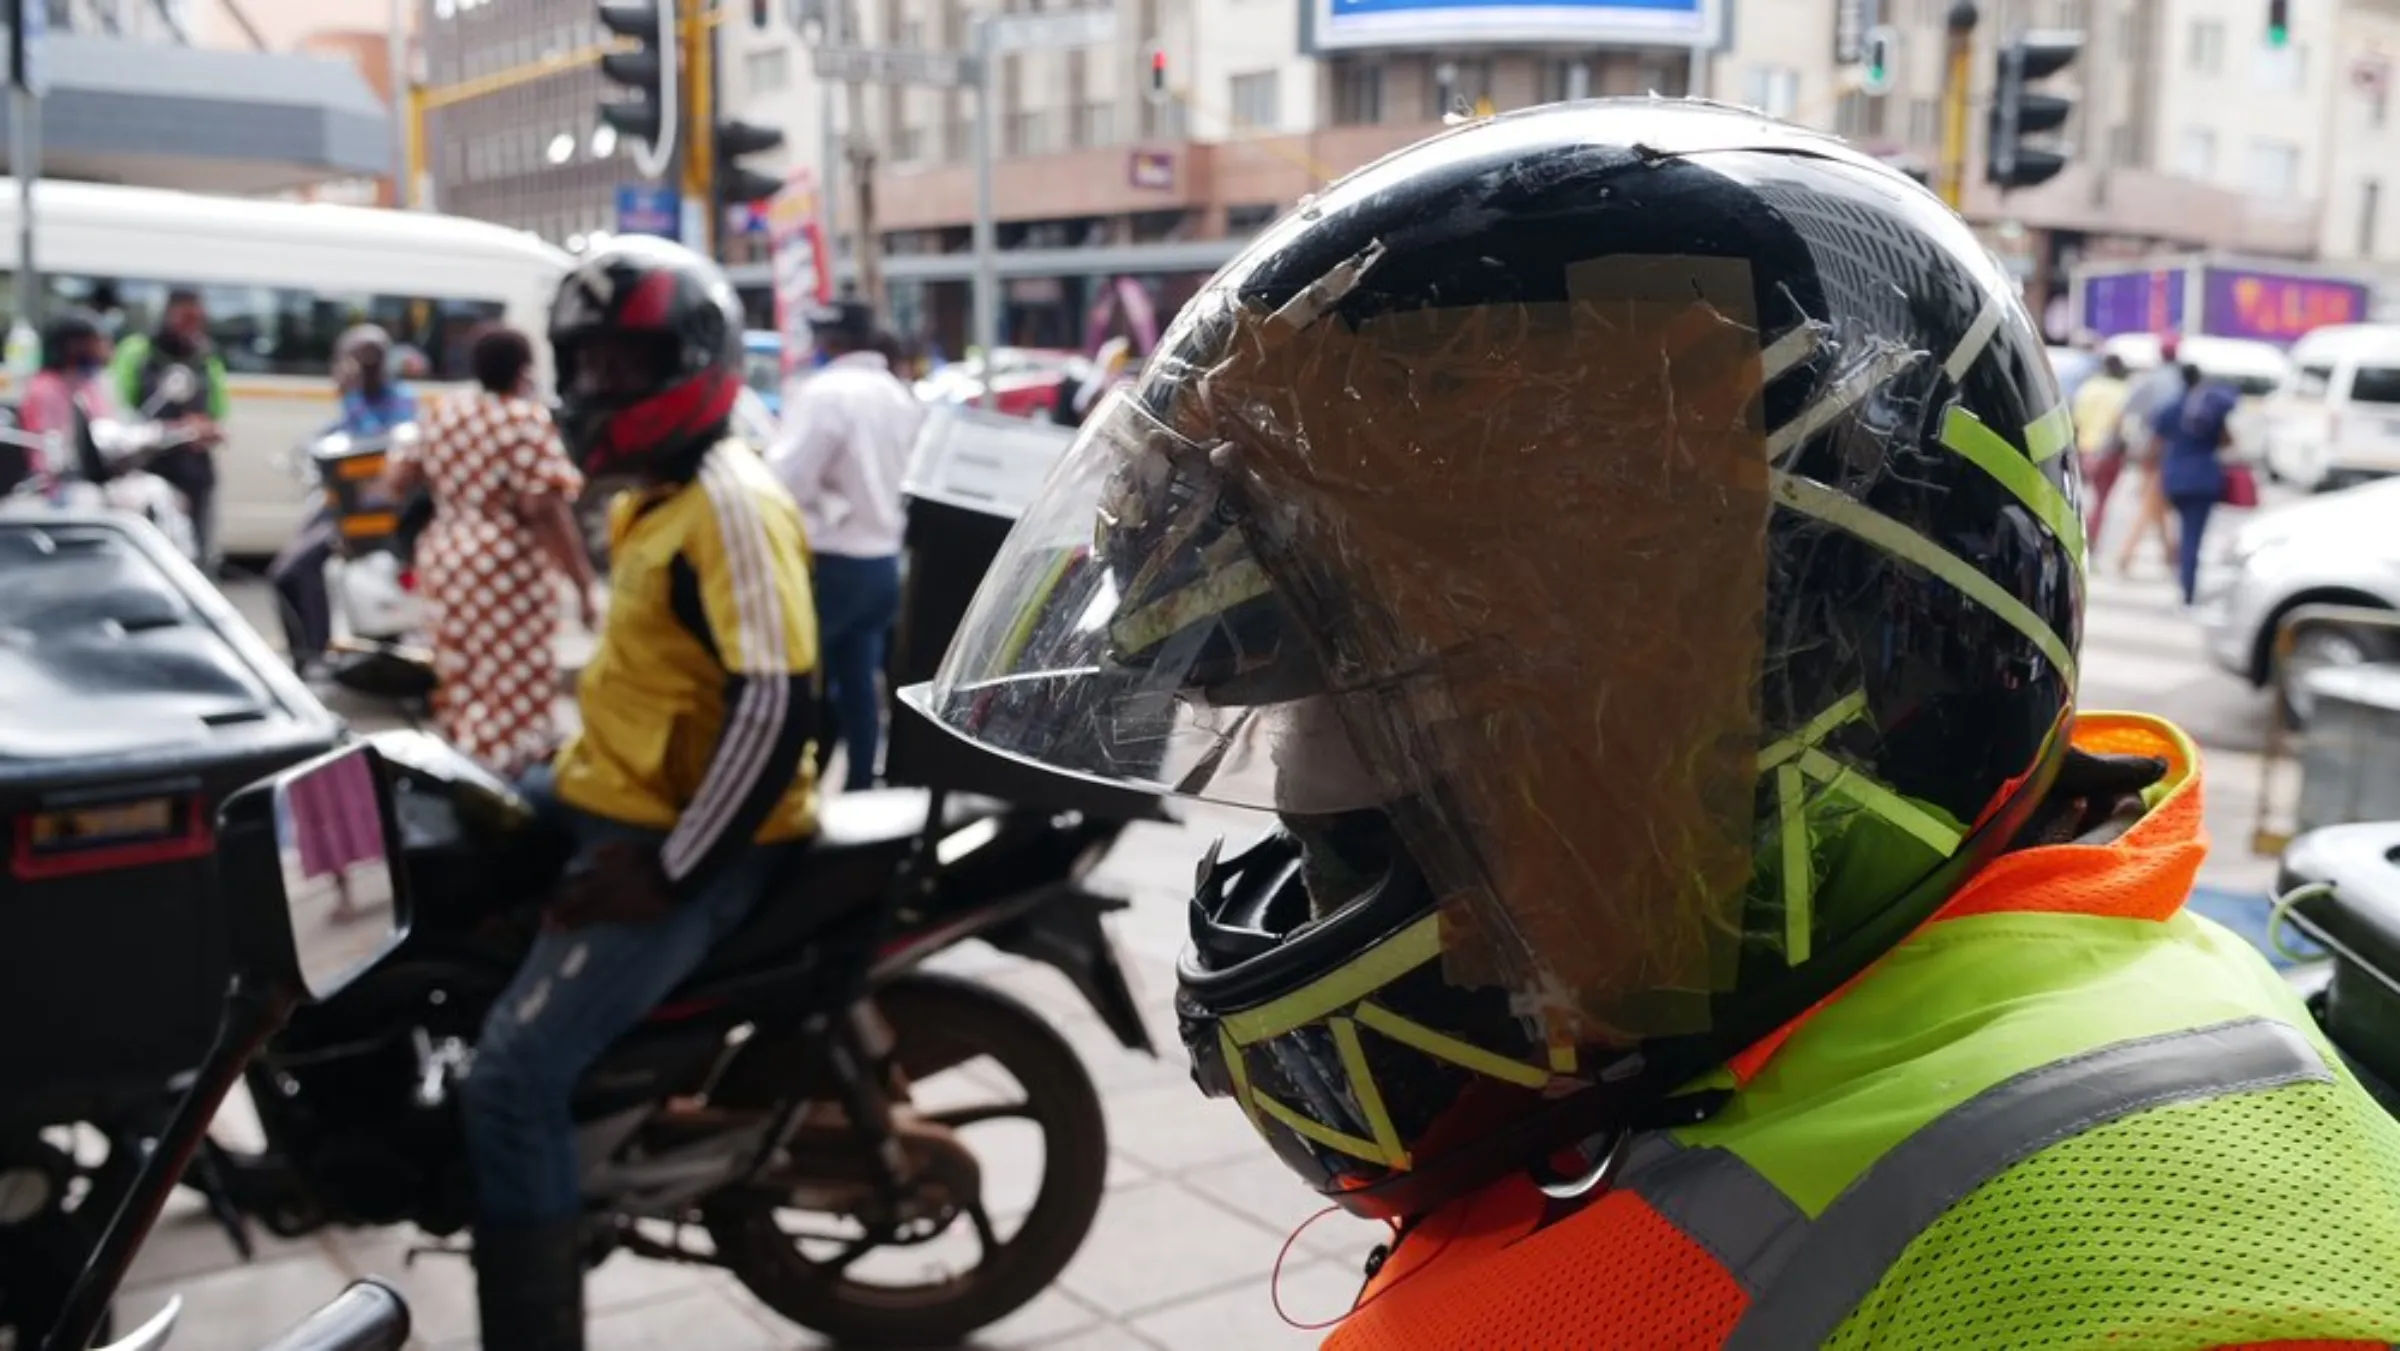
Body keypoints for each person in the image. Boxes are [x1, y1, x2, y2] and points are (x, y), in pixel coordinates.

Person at [911, 102, 2400, 1346]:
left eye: (1416, 692)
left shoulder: (2164, 1281)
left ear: (1798, 686)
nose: (1314, 796)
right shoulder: (1718, 1038)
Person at [460, 237, 821, 1351]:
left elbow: (776, 709)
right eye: (589, 367)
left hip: (698, 843)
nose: (601, 391)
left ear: (697, 359)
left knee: (510, 1079)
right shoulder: (649, 495)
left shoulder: (728, 501)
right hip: (610, 795)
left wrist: (667, 874)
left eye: (630, 365)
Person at [382, 326, 595, 779]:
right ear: (524, 371)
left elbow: (398, 481)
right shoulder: (524, 420)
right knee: (514, 681)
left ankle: (460, 769)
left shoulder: (445, 411)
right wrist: (582, 583)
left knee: (461, 673)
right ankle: (504, 780)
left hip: (445, 554)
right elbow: (545, 508)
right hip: (505, 565)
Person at [767, 298, 924, 791]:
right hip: (882, 564)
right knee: (858, 687)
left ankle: (791, 788)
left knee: (792, 683)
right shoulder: (899, 396)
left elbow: (785, 479)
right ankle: (860, 788)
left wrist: (829, 510)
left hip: (830, 561)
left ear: (830, 342)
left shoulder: (827, 393)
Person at [270, 325, 420, 675]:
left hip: (374, 514)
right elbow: (338, 436)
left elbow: (377, 443)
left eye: (371, 359)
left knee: (300, 568)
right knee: (285, 574)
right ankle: (309, 652)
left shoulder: (400, 398)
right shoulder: (354, 398)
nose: (364, 367)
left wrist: (351, 394)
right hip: (341, 506)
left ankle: (318, 653)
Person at [110, 287, 230, 571]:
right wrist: (167, 428)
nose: (192, 326)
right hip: (148, 469)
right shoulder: (136, 352)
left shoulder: (206, 358)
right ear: (167, 315)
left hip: (194, 473)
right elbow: (120, 412)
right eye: (185, 317)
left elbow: (219, 412)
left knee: (196, 555)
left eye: (198, 318)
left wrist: (206, 430)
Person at [2155, 361, 2240, 607]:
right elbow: (2228, 442)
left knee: (2184, 534)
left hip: (2176, 478)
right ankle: (2188, 588)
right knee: (2193, 536)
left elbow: (2156, 441)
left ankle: (2185, 583)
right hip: (2204, 479)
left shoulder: (2172, 407)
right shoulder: (2211, 408)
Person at [16, 308, 122, 490]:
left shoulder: (91, 384)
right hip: (54, 488)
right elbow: (51, 457)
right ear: (72, 345)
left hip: (94, 479)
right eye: (97, 342)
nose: (105, 349)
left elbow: (110, 429)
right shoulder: (46, 388)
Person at [2113, 335, 2190, 576]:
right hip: (2171, 451)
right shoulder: (2181, 381)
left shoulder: (2149, 379)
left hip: (2150, 450)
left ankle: (2168, 553)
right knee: (2152, 502)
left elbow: (2126, 410)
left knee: (2155, 501)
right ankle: (2127, 554)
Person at [2072, 352, 2131, 545]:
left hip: (2084, 450)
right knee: (2101, 500)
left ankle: (2079, 533)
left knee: (2081, 495)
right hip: (2108, 453)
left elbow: (2076, 420)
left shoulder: (2087, 388)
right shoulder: (2122, 391)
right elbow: (2123, 425)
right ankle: (2090, 538)